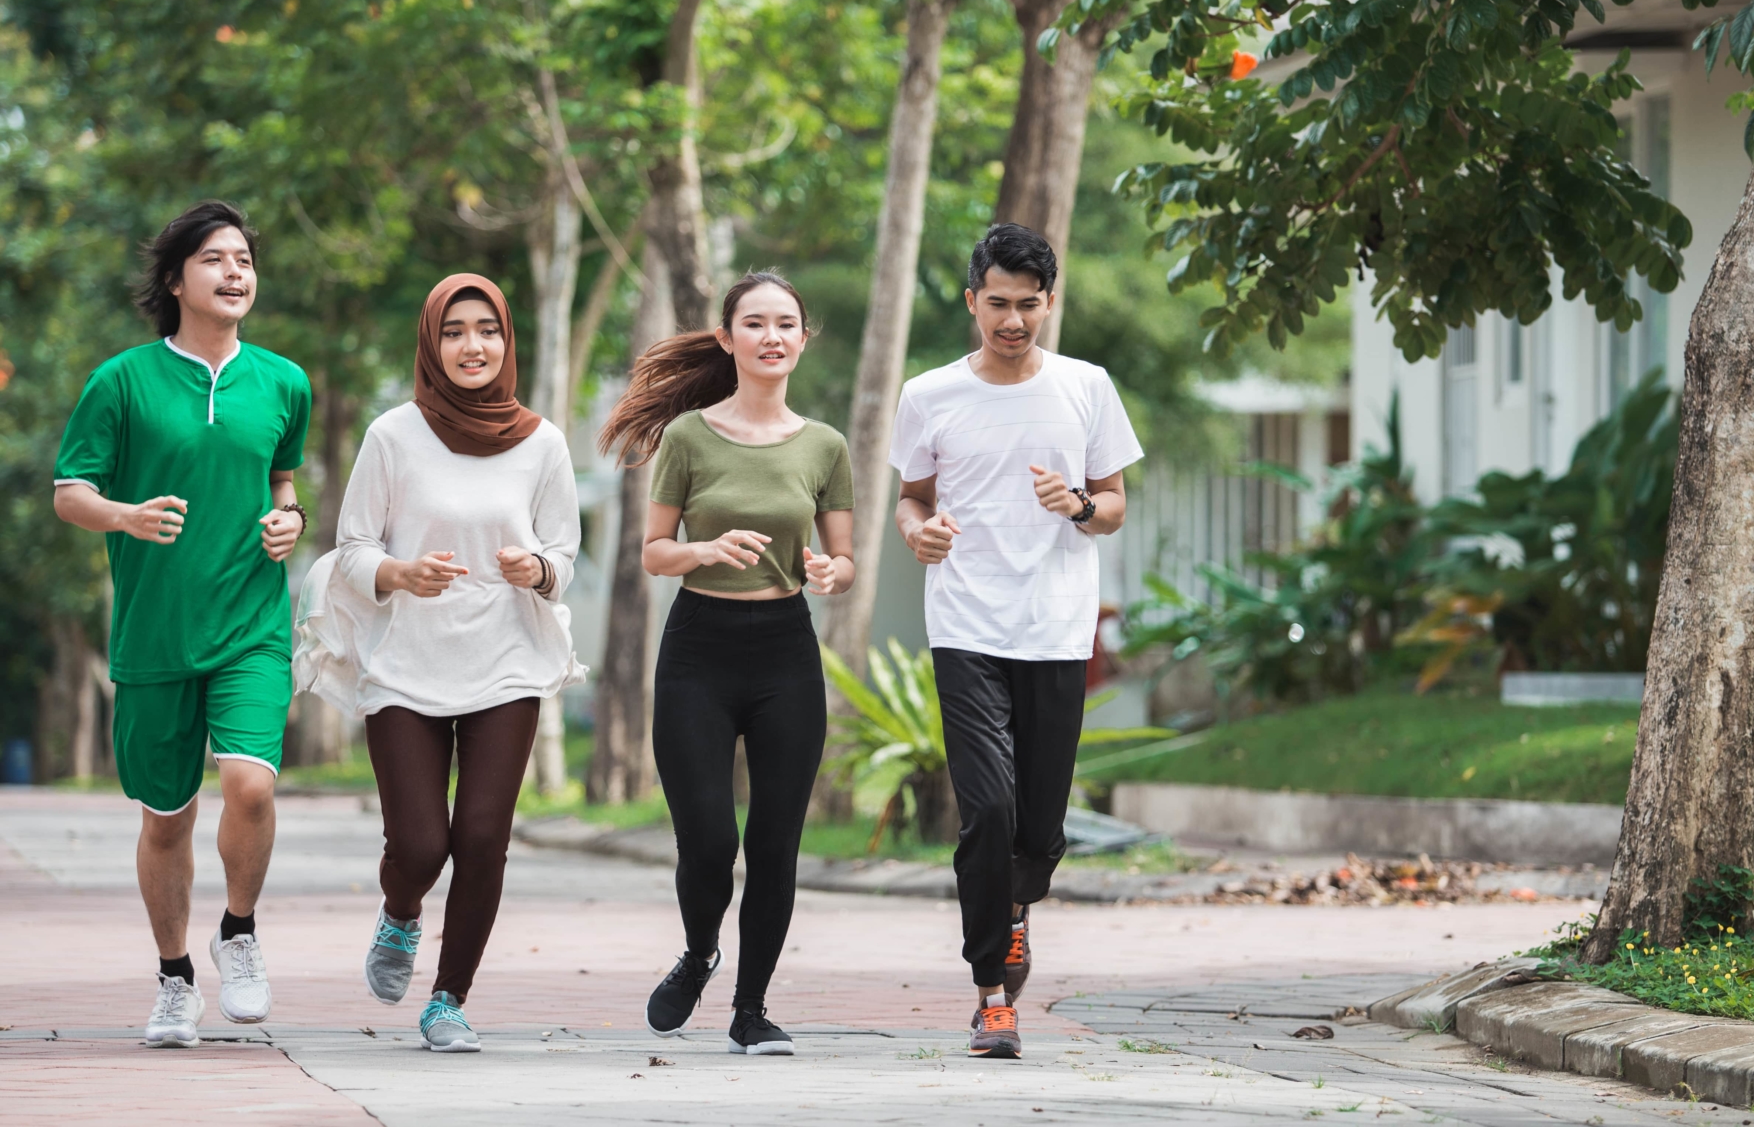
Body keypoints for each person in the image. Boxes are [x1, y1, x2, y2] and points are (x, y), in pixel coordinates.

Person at [297, 273, 583, 1054]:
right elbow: (353, 546)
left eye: (486, 330)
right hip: (405, 663)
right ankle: (400, 914)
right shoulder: (394, 434)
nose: (472, 346)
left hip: (506, 662)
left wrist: (539, 571)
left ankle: (448, 1000)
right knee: (422, 845)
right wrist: (400, 574)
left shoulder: (543, 442)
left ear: (506, 339)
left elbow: (565, 548)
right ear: (432, 342)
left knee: (483, 836)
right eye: (454, 331)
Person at [52, 201, 313, 1048]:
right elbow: (70, 493)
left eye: (244, 259)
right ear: (175, 279)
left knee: (251, 785)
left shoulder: (284, 382)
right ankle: (173, 979)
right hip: (156, 634)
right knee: (166, 818)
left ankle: (238, 931)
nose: (236, 272)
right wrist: (123, 516)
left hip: (250, 624)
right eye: (215, 260)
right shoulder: (120, 381)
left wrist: (291, 518)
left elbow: (281, 481)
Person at [888, 223, 1143, 1059]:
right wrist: (919, 534)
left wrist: (1073, 504)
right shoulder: (930, 394)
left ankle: (1017, 905)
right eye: (997, 304)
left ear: (1049, 303)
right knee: (987, 808)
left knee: (1039, 828)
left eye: (1028, 306)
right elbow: (912, 498)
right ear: (972, 301)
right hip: (965, 624)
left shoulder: (1086, 386)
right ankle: (992, 994)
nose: (1012, 321)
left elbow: (1112, 503)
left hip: (1057, 627)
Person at [597, 271, 854, 1057]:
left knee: (775, 842)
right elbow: (652, 552)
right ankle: (700, 950)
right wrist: (703, 550)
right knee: (708, 841)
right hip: (698, 653)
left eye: (786, 324)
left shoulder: (824, 446)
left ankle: (752, 1008)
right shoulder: (688, 438)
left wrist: (830, 572)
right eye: (755, 323)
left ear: (803, 340)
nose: (772, 336)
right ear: (727, 338)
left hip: (785, 652)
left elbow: (845, 559)